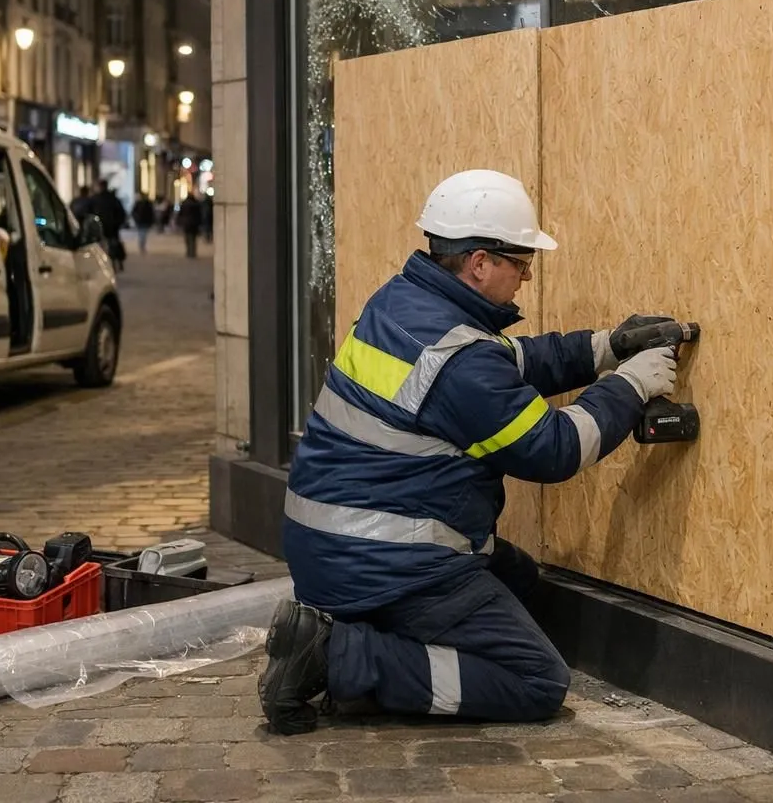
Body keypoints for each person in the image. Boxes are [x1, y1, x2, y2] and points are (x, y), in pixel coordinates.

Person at [258, 169, 681, 735]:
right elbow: (551, 449)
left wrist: (605, 347)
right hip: (385, 564)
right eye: (520, 262)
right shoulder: (458, 360)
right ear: (480, 263)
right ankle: (337, 657)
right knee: (536, 681)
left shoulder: (404, 303)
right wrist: (629, 387)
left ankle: (351, 634)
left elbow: (504, 365)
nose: (526, 276)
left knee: (521, 580)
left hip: (333, 546)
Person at [87, 180, 128, 273]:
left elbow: (89, 212)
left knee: (100, 246)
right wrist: (118, 223)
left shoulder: (94, 199)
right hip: (112, 227)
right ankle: (115, 262)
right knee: (113, 245)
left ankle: (103, 264)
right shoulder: (113, 199)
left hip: (100, 226)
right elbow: (121, 213)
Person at [177, 191, 204, 258]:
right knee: (193, 238)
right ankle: (193, 252)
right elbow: (199, 215)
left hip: (186, 223)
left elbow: (180, 214)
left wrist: (179, 221)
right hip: (194, 223)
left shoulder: (184, 203)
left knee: (187, 238)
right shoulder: (196, 204)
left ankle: (189, 251)